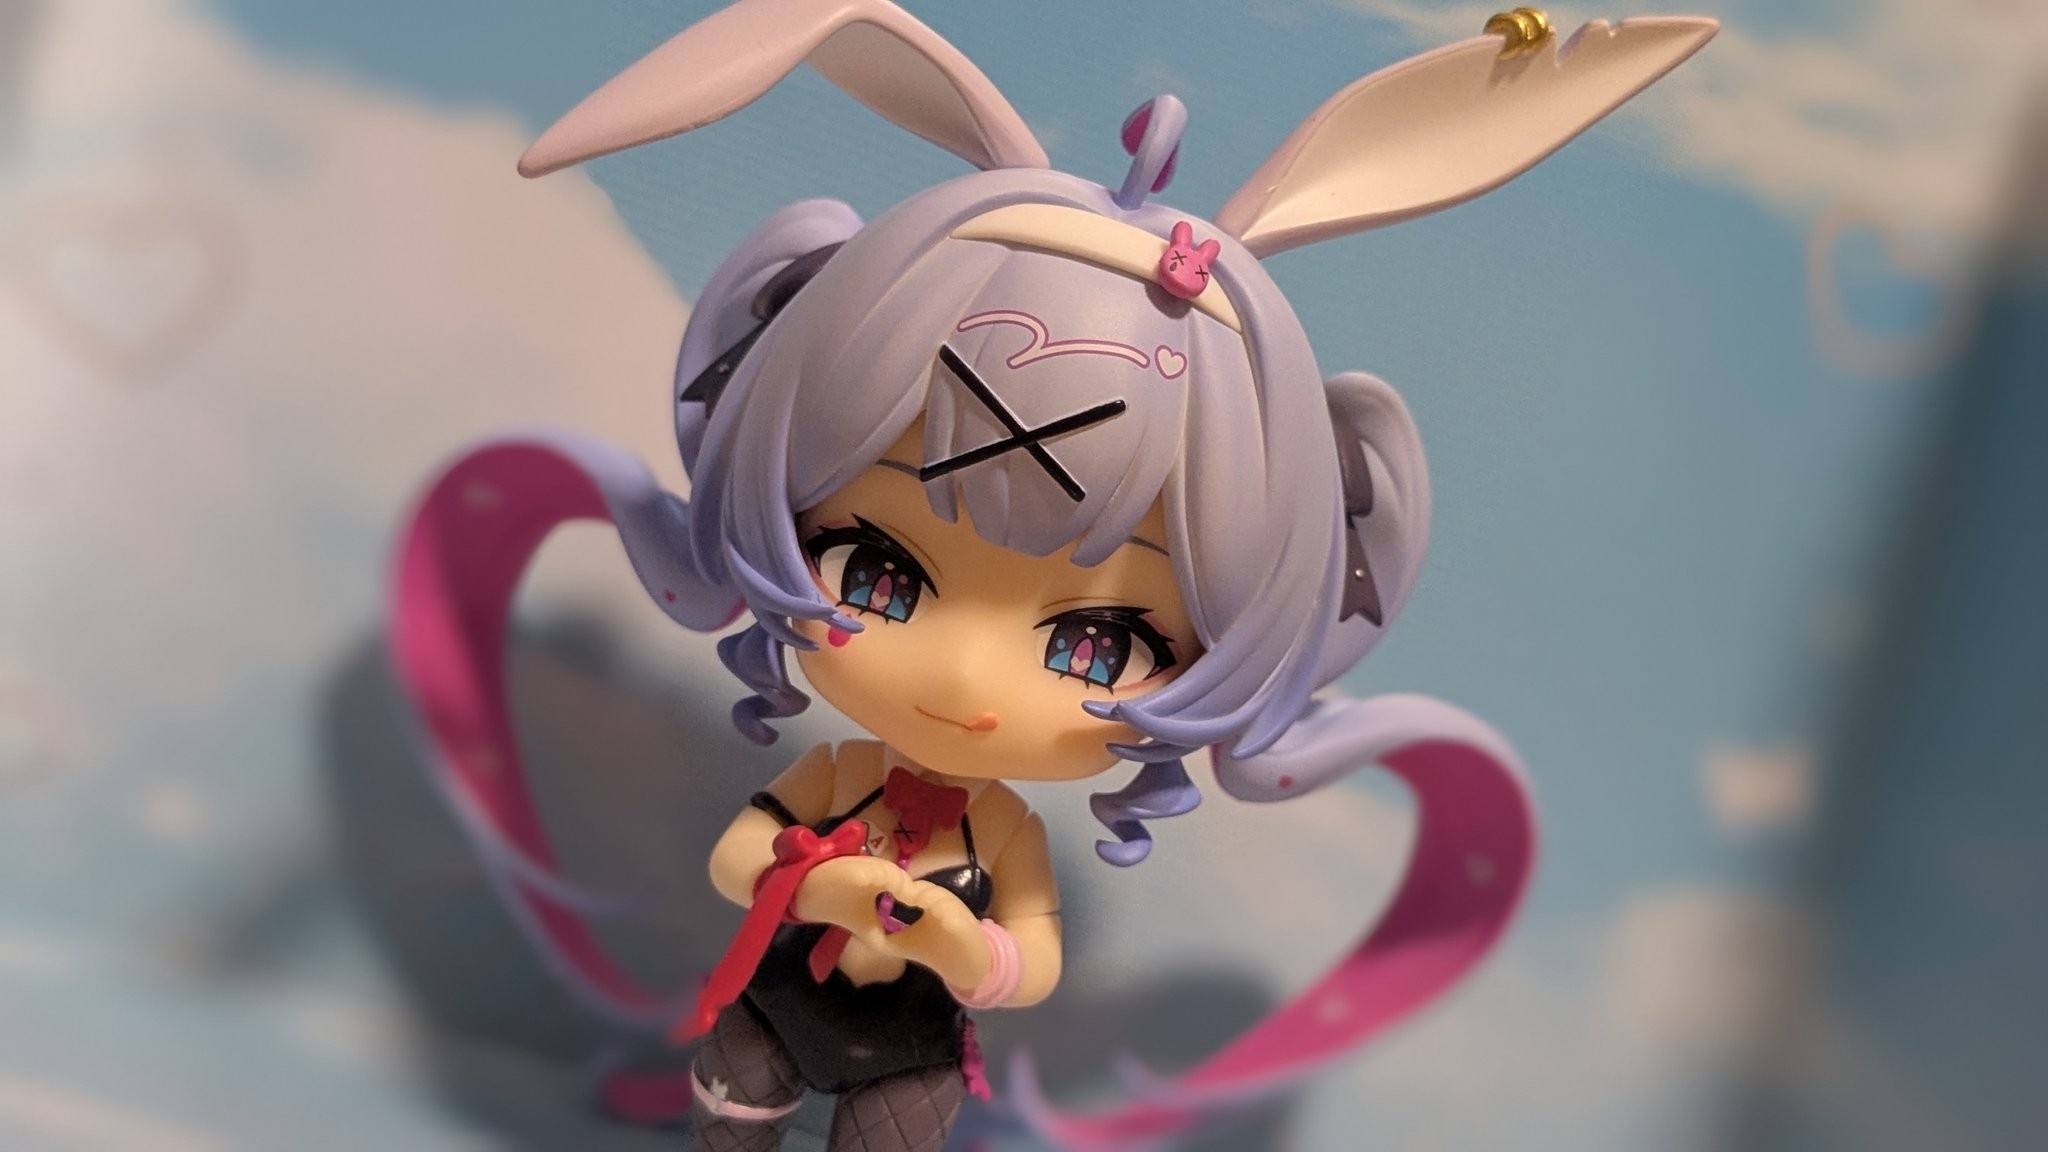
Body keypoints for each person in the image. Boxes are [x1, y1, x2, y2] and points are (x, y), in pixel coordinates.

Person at [388, 2, 1714, 1147]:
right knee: (730, 1107)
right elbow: (744, 856)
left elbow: (1031, 960)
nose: (967, 676)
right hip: (775, 1011)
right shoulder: (838, 778)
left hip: (907, 1050)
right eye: (874, 570)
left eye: (1097, 644)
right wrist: (819, 882)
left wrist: (963, 946)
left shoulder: (1002, 839)